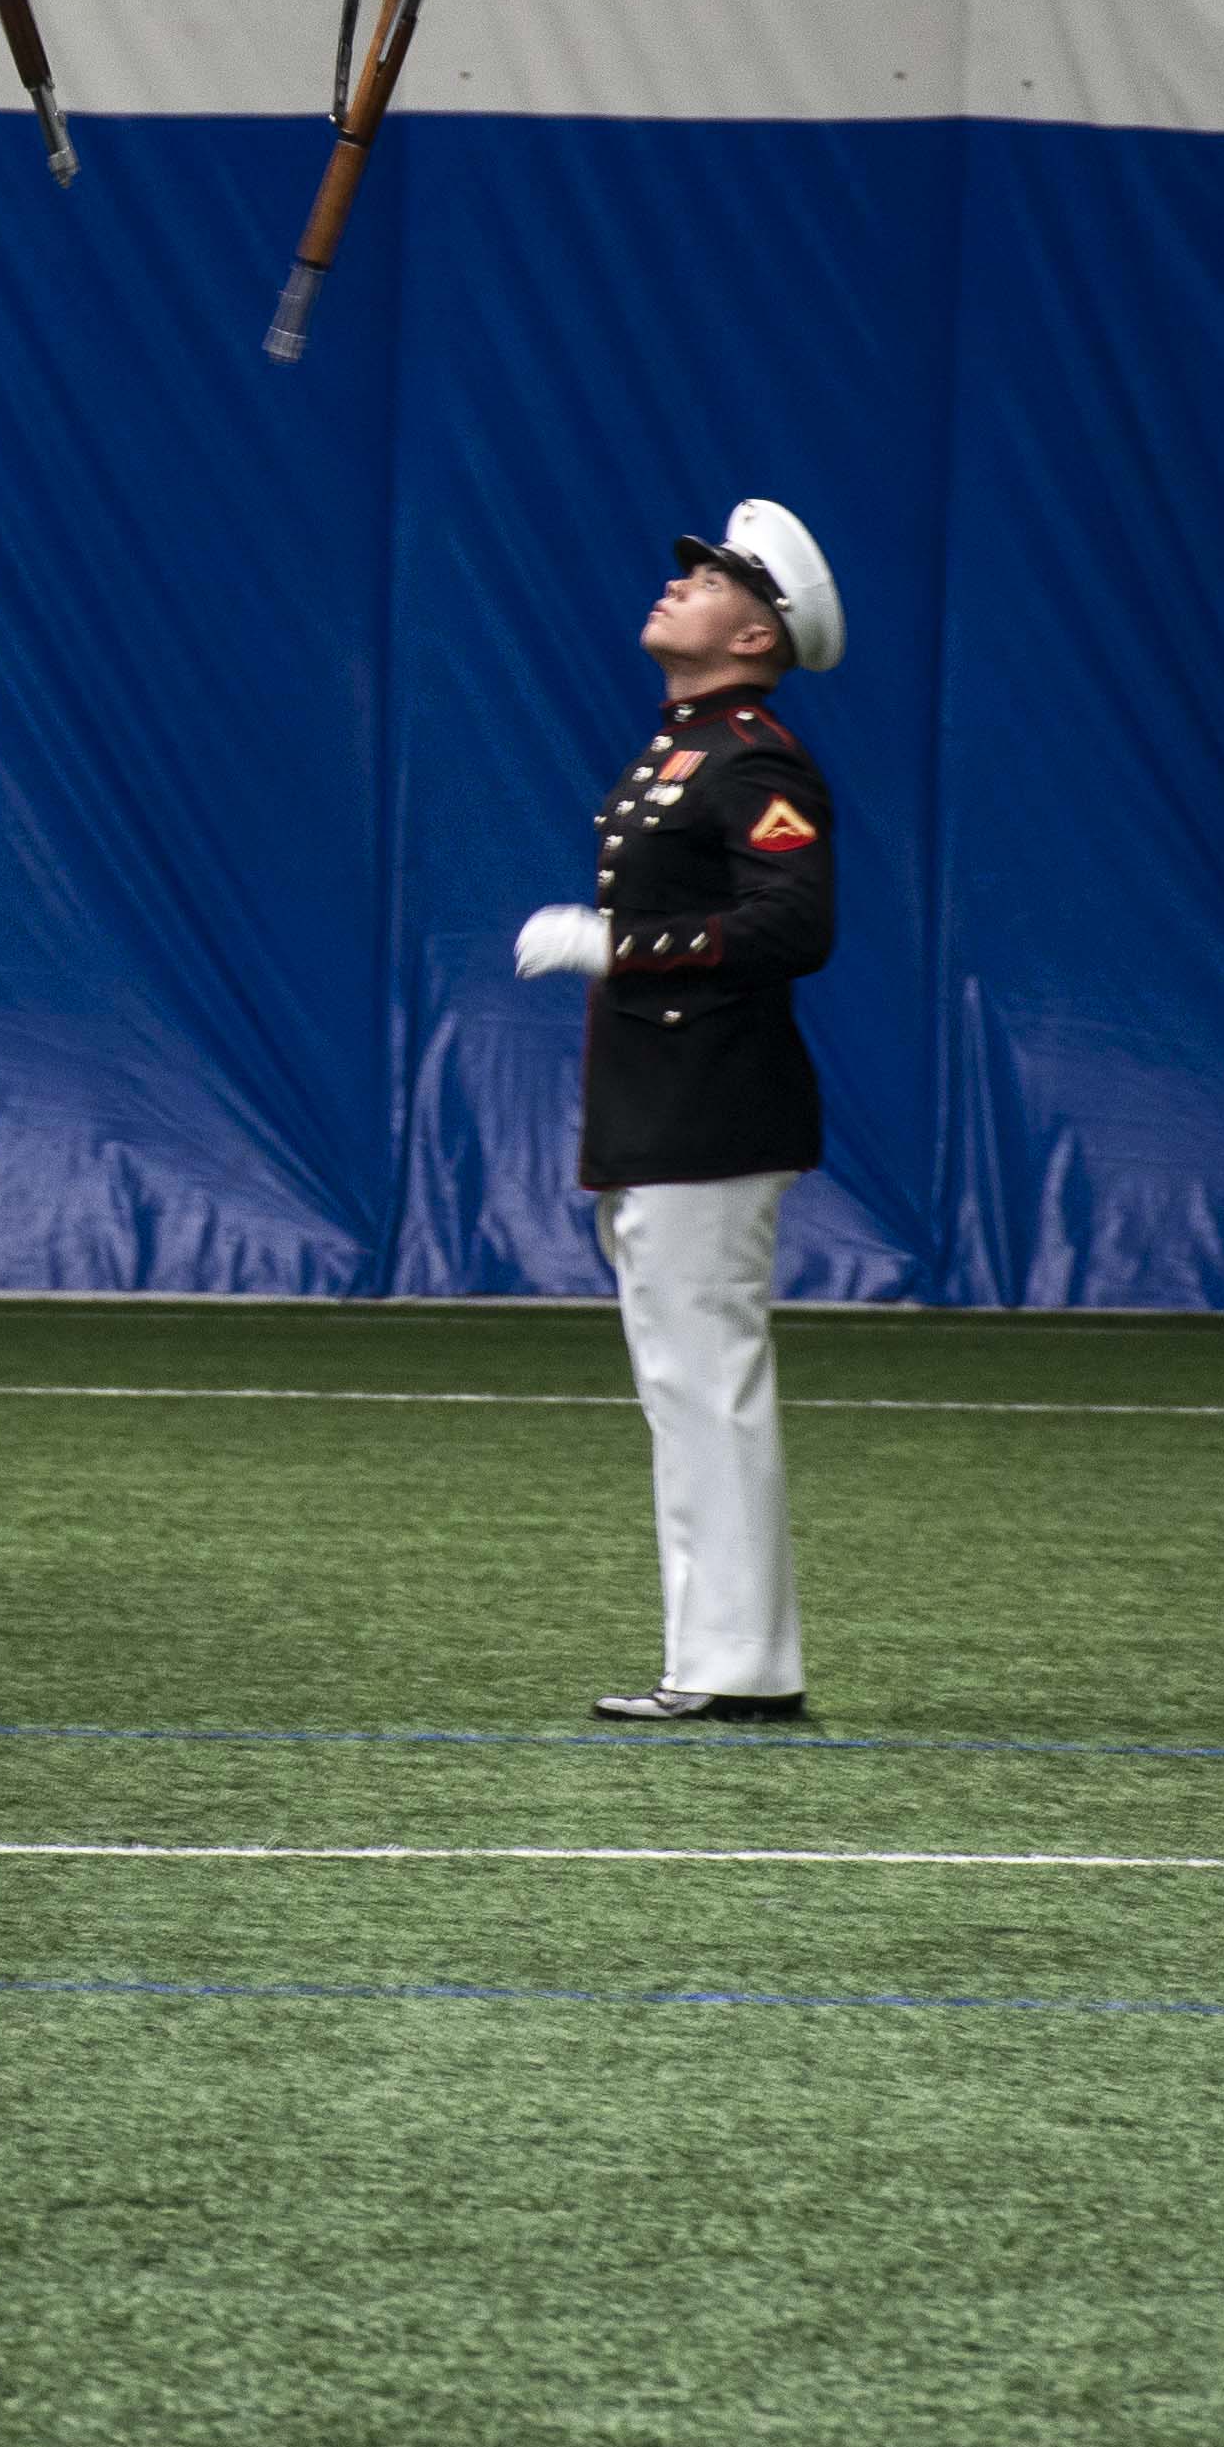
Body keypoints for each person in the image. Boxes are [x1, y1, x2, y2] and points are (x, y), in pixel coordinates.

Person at [513, 499, 845, 1729]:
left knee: (705, 1385)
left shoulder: (749, 757)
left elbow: (794, 923)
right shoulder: (682, 748)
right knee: (688, 1386)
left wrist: (620, 944)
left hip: (709, 1107)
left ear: (757, 635)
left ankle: (736, 1665)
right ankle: (720, 1655)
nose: (677, 586)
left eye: (709, 581)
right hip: (669, 1105)